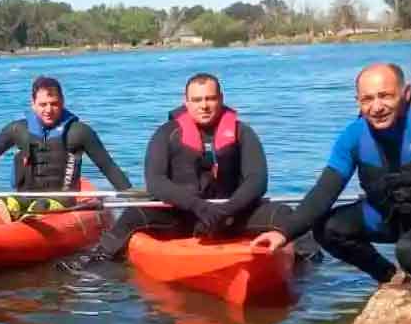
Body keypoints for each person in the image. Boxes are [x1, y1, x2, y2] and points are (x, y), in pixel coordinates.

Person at [251, 63, 411, 284]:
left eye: (385, 96)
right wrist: (283, 233)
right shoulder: (354, 136)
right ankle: (391, 278)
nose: (376, 107)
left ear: (406, 93)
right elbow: (325, 191)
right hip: (393, 218)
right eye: (367, 99)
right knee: (327, 228)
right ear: (357, 101)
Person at [62, 72, 291, 270]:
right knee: (134, 215)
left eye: (210, 99)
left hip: (231, 214)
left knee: (285, 214)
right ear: (187, 102)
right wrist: (198, 206)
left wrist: (227, 211)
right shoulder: (166, 133)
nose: (204, 105)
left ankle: (309, 263)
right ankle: (97, 260)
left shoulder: (243, 133)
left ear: (221, 99)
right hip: (183, 215)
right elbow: (156, 182)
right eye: (197, 100)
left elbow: (257, 180)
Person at [0, 75, 133, 220]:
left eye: (54, 104)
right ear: (33, 104)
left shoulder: (80, 132)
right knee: (2, 204)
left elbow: (108, 167)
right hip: (24, 197)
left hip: (60, 200)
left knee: (39, 209)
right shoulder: (18, 129)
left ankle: (27, 227)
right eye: (43, 104)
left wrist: (131, 196)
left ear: (62, 102)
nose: (48, 110)